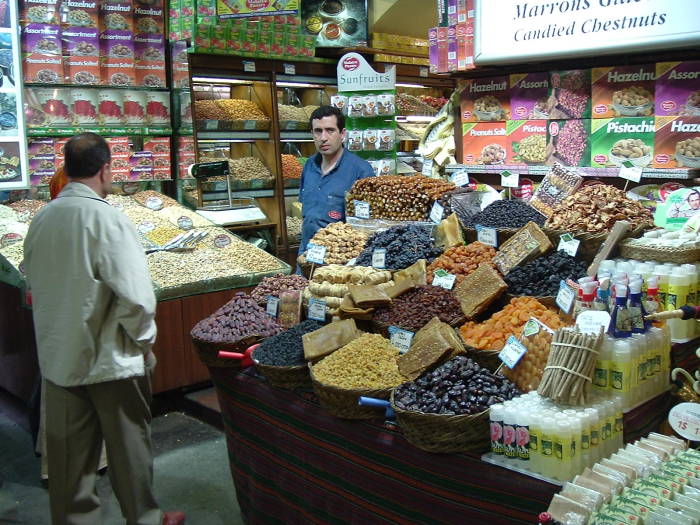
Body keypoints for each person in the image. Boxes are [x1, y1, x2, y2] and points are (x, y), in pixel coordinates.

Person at [23, 133, 184, 525]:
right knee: (130, 451)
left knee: (69, 464)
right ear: (105, 168)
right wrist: (145, 342)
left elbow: (34, 286)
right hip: (111, 361)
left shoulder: (42, 219)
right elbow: (137, 299)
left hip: (60, 361)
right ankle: (145, 519)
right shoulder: (108, 218)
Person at [299, 105, 374, 253]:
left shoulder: (361, 170)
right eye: (318, 131)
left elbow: (366, 226)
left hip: (338, 263)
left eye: (330, 130)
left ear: (342, 134)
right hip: (307, 255)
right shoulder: (309, 165)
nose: (323, 138)